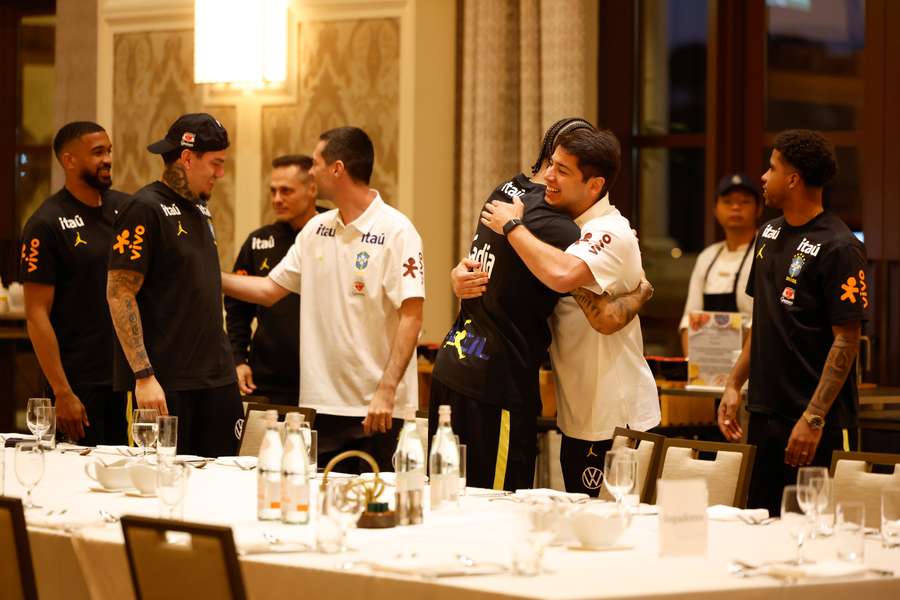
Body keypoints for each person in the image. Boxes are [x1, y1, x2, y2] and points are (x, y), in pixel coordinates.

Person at [434, 118, 652, 493]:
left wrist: (511, 227)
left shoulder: (608, 232)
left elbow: (572, 284)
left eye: (562, 171)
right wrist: (460, 274)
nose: (547, 177)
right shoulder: (560, 227)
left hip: (613, 414)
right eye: (550, 164)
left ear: (595, 185)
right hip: (577, 411)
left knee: (607, 534)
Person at [221, 126, 424, 472]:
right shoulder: (316, 230)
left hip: (378, 410)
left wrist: (387, 390)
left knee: (377, 516)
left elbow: (412, 316)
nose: (311, 171)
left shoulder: (397, 231)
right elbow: (269, 291)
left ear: (337, 169)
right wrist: (206, 276)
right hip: (320, 405)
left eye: (316, 163)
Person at [718, 129, 866, 515]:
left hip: (817, 422)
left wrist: (813, 418)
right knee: (761, 524)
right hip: (766, 415)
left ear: (793, 179)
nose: (763, 177)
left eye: (771, 168)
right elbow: (762, 320)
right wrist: (734, 384)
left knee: (815, 533)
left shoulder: (840, 246)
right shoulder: (767, 234)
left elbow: (847, 340)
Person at [106, 113, 243, 457]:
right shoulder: (144, 208)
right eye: (216, 163)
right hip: (166, 385)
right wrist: (143, 375)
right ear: (186, 158)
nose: (220, 174)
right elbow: (120, 293)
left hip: (216, 378)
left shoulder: (200, 208)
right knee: (163, 489)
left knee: (224, 483)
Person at [20, 121, 130, 445]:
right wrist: (62, 391)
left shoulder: (125, 209)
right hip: (77, 384)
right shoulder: (46, 222)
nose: (107, 159)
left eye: (108, 151)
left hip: (122, 379)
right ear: (69, 161)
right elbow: (36, 314)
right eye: (97, 153)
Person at [225, 154, 323, 406]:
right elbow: (237, 309)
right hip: (269, 380)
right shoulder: (259, 241)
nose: (277, 199)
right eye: (273, 191)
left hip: (326, 380)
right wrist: (238, 359)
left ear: (312, 189)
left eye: (286, 191)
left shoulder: (334, 233)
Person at [679, 173, 762, 355]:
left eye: (745, 201)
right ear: (715, 209)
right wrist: (693, 367)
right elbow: (689, 319)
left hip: (755, 367)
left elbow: (766, 323)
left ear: (758, 209)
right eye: (728, 201)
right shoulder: (707, 257)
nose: (735, 207)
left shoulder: (766, 253)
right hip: (709, 368)